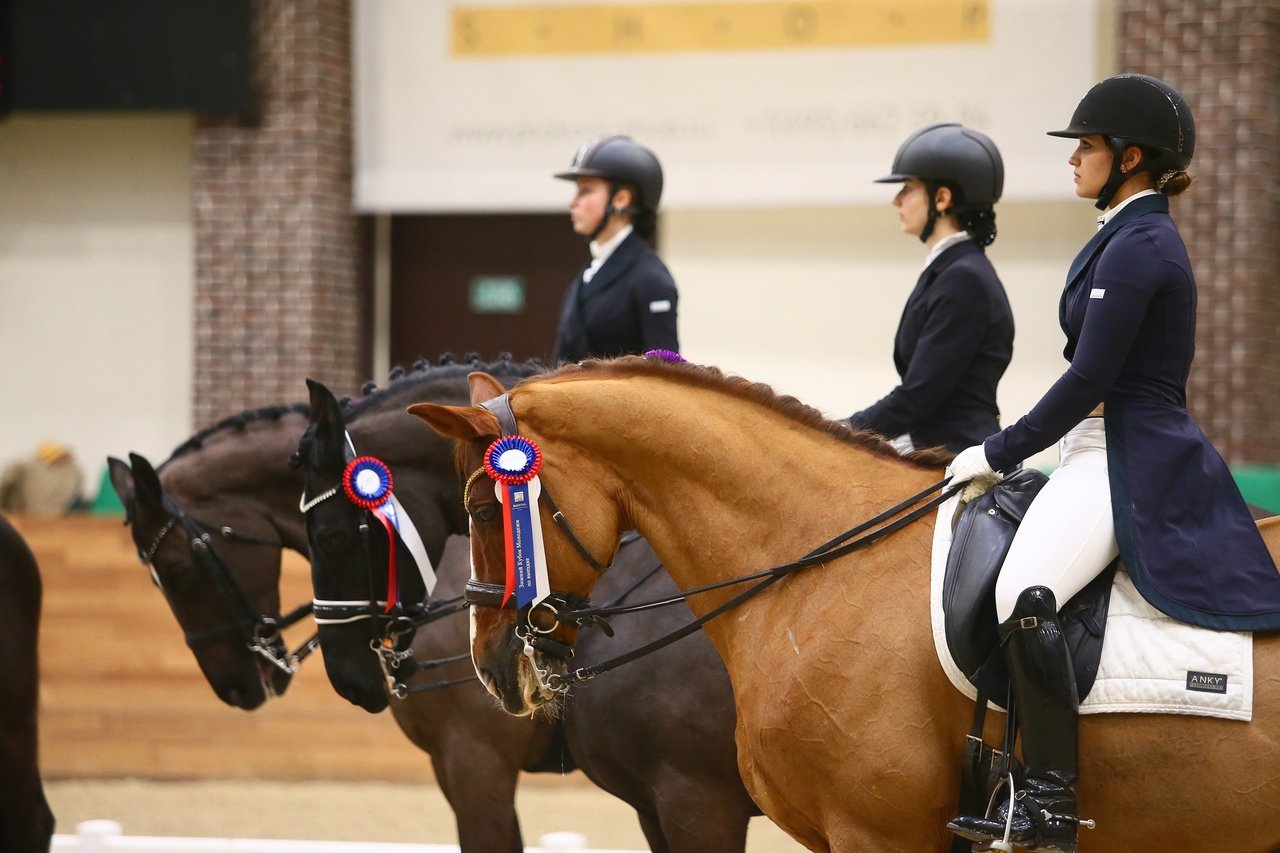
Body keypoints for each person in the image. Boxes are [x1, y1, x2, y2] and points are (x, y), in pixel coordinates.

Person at [945, 74, 1280, 851]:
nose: (1074, 160)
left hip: (1131, 447)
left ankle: (1052, 801)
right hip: (1095, 443)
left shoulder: (1143, 244)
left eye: (1087, 147)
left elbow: (1091, 378)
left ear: (1130, 157)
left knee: (1025, 594)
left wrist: (1000, 450)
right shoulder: (1123, 234)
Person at [848, 123, 1014, 454]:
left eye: (907, 188)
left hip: (954, 455)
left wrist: (837, 432)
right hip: (930, 446)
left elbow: (916, 398)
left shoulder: (963, 278)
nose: (896, 200)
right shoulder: (950, 269)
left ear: (941, 198)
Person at [550, 135, 679, 364]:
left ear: (620, 199)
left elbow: (665, 377)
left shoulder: (651, 278)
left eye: (585, 190)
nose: (573, 202)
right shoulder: (587, 273)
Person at [0, 441, 85, 516]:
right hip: (23, 516)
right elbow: (6, 486)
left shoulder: (73, 471)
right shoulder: (23, 467)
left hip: (57, 518)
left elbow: (75, 494)